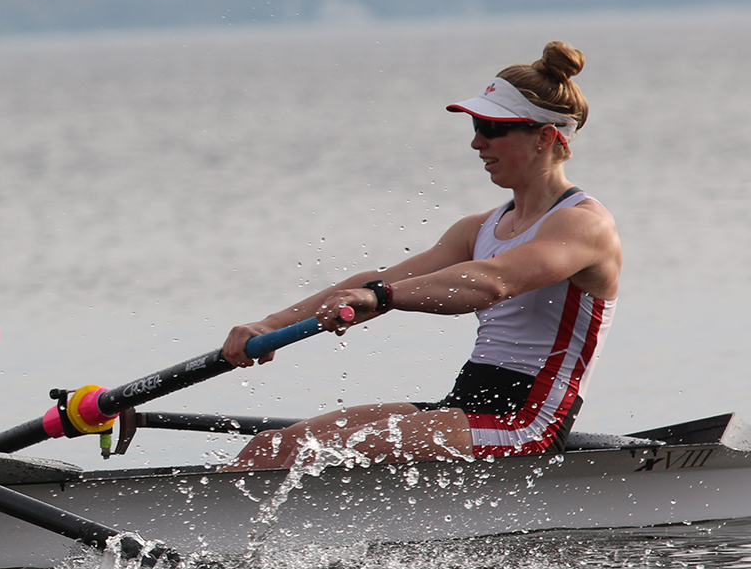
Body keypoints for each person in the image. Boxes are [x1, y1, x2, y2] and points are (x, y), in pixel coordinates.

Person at [222, 41, 619, 470]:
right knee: (271, 447)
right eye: (475, 127)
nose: (477, 143)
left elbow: (492, 282)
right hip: (466, 405)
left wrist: (380, 297)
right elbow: (377, 280)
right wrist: (269, 324)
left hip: (527, 422)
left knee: (317, 456)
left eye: (492, 128)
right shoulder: (479, 228)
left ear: (544, 136)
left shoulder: (584, 225)